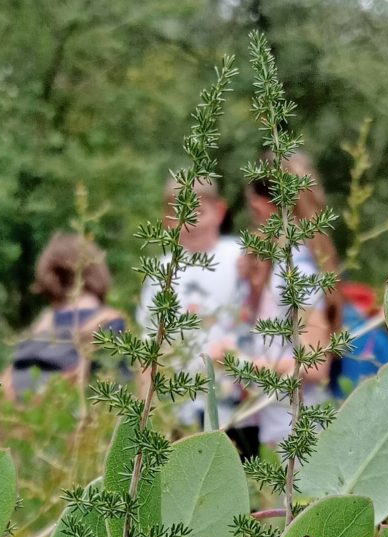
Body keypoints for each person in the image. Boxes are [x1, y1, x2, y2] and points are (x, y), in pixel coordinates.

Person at [208, 154, 335, 460]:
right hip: (279, 429)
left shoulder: (298, 270)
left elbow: (316, 365)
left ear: (268, 207)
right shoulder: (282, 265)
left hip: (300, 434)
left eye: (254, 212)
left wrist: (238, 363)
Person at [136, 175, 243, 428]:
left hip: (237, 409)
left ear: (219, 211)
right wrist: (145, 409)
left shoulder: (240, 258)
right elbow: (148, 345)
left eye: (198, 213)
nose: (189, 224)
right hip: (179, 408)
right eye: (178, 215)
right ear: (166, 220)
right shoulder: (161, 272)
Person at [3, 232, 126, 400]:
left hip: (26, 413)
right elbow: (121, 396)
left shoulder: (38, 329)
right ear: (97, 270)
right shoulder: (112, 325)